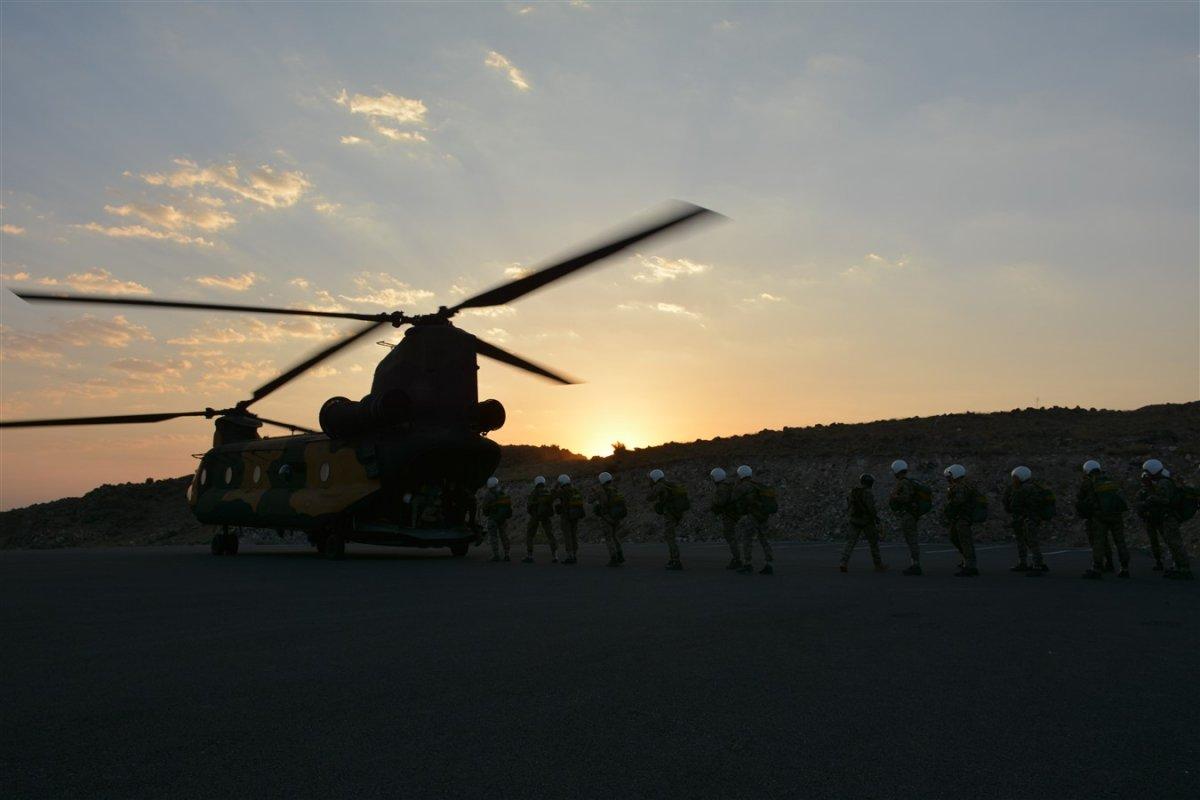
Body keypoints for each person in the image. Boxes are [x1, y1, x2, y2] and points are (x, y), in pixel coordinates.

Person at [1075, 460, 1130, 579]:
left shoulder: (1088, 482)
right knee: (1120, 542)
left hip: (1100, 516)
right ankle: (1124, 568)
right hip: (1116, 515)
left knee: (1098, 542)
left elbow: (1080, 498)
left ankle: (1097, 568)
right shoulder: (1110, 480)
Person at [1141, 459, 1193, 580]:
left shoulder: (1163, 483)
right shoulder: (1163, 481)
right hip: (1168, 516)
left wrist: (1152, 499)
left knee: (1175, 542)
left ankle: (1184, 569)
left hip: (1170, 517)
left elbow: (1166, 500)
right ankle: (1179, 566)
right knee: (1172, 542)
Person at [732, 465, 776, 575]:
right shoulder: (759, 485)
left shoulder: (743, 486)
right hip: (763, 516)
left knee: (747, 539)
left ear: (740, 475)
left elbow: (734, 499)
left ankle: (748, 564)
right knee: (765, 540)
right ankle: (769, 564)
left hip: (752, 516)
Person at [1003, 466, 1047, 577]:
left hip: (1026, 519)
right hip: (1031, 518)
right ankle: (1036, 563)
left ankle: (1035, 565)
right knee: (1028, 541)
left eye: (1015, 478)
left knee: (1029, 541)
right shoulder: (1036, 487)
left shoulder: (1022, 489)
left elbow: (1012, 505)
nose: (1013, 480)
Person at [940, 464, 981, 577]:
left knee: (965, 540)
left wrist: (949, 508)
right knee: (955, 537)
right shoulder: (962, 485)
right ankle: (967, 561)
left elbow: (958, 501)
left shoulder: (960, 487)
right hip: (960, 517)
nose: (948, 479)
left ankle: (970, 566)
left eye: (949, 477)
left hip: (963, 517)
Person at [840, 473, 887, 572]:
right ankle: (878, 564)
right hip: (866, 521)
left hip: (854, 520)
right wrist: (876, 518)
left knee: (850, 542)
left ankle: (843, 562)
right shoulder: (868, 493)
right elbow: (871, 508)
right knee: (873, 543)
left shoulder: (853, 491)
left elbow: (848, 505)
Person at [888, 460, 926, 575]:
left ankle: (915, 565)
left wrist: (895, 497)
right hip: (912, 514)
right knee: (912, 539)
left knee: (911, 540)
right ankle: (915, 564)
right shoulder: (910, 482)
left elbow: (906, 498)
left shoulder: (903, 483)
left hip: (908, 514)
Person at [646, 469, 688, 570]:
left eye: (651, 479)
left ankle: (675, 560)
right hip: (677, 513)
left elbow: (649, 497)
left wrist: (652, 487)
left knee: (670, 537)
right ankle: (673, 559)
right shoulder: (671, 484)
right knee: (670, 536)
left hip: (670, 514)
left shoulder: (659, 485)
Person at [709, 467, 743, 569]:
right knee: (733, 536)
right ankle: (738, 558)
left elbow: (721, 502)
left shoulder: (722, 488)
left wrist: (714, 502)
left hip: (729, 515)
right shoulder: (729, 486)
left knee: (730, 536)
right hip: (734, 514)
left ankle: (737, 559)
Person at [591, 472, 627, 566]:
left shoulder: (600, 491)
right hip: (616, 517)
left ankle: (613, 558)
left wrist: (594, 491)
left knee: (609, 538)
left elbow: (590, 500)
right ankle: (620, 555)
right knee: (615, 536)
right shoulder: (615, 489)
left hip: (606, 518)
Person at [1134, 474, 1167, 572]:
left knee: (1165, 540)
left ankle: (1163, 561)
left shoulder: (1156, 490)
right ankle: (1159, 561)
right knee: (1155, 542)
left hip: (1158, 519)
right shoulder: (1143, 492)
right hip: (1151, 519)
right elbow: (1138, 505)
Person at [523, 476, 558, 563]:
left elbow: (529, 506)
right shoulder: (547, 491)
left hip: (535, 516)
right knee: (550, 535)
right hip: (546, 516)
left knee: (530, 535)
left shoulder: (534, 492)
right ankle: (555, 555)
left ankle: (529, 555)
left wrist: (532, 511)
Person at [479, 476, 513, 562]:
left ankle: (496, 555)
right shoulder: (503, 493)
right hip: (503, 518)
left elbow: (485, 508)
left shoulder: (489, 494)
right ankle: (507, 554)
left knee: (493, 537)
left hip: (493, 518)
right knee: (504, 536)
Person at [554, 474, 585, 564]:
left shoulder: (563, 491)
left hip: (566, 517)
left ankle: (569, 556)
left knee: (568, 536)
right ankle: (574, 555)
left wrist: (555, 487)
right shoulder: (575, 490)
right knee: (573, 535)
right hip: (575, 516)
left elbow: (552, 497)